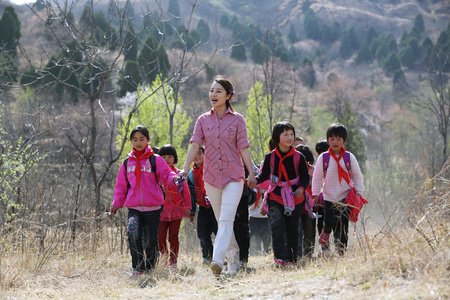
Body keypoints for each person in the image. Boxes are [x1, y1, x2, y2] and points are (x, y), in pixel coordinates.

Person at [180, 76, 256, 277]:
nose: (213, 94)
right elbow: (195, 145)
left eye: (218, 91)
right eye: (211, 90)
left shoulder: (238, 119)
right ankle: (233, 261)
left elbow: (244, 148)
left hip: (234, 176)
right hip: (211, 177)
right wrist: (184, 168)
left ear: (229, 95)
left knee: (226, 218)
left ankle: (217, 260)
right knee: (222, 220)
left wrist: (252, 173)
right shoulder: (203, 120)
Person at [110, 125, 182, 277]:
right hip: (134, 208)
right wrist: (116, 204)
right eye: (135, 140)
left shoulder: (155, 160)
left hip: (153, 209)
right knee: (134, 235)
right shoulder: (126, 163)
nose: (138, 143)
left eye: (141, 139)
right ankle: (137, 268)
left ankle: (149, 268)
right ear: (131, 142)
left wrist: (175, 179)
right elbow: (121, 186)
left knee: (150, 240)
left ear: (148, 140)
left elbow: (166, 175)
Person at [256, 122, 310, 268]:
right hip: (275, 195)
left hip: (294, 197)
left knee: (293, 227)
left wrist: (301, 188)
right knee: (277, 226)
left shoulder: (299, 157)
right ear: (276, 137)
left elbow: (305, 177)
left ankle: (291, 259)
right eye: (285, 134)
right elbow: (263, 176)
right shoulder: (270, 157)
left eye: (291, 134)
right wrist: (253, 181)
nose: (289, 137)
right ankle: (279, 258)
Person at [312, 124, 364, 256]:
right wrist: (315, 194)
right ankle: (325, 233)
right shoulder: (323, 158)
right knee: (329, 221)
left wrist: (358, 192)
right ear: (328, 139)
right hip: (329, 196)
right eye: (332, 139)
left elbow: (357, 175)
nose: (335, 142)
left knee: (343, 226)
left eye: (339, 139)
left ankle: (341, 252)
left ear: (344, 140)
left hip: (345, 197)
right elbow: (317, 177)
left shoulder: (349, 157)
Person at [158, 144, 191, 269]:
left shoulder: (179, 174)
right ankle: (164, 256)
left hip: (176, 211)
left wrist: (188, 207)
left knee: (173, 236)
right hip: (161, 211)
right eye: (163, 156)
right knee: (160, 235)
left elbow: (186, 192)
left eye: (170, 156)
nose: (167, 159)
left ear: (175, 158)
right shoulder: (157, 174)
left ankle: (173, 261)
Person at [187, 146, 218, 265]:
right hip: (203, 209)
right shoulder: (191, 174)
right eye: (194, 154)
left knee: (219, 232)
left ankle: (222, 255)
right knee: (202, 234)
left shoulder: (213, 169)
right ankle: (207, 256)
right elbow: (192, 195)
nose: (196, 156)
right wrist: (192, 211)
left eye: (199, 153)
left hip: (216, 207)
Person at [233, 161, 259, 269]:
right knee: (229, 227)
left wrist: (249, 179)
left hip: (242, 196)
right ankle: (231, 257)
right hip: (224, 195)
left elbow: (256, 172)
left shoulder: (243, 155)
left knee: (242, 227)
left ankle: (243, 258)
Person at [295, 144, 316, 260]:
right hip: (296, 203)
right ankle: (297, 253)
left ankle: (308, 253)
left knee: (310, 230)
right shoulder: (292, 170)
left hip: (310, 204)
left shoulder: (313, 170)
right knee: (296, 230)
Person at [314, 139, 329, 255]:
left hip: (329, 199)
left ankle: (326, 248)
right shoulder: (318, 167)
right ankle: (325, 248)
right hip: (322, 202)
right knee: (323, 224)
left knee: (324, 224)